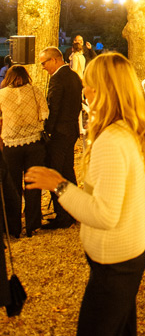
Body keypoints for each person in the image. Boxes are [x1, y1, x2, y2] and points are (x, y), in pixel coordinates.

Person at [25, 52, 145, 336]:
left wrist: (59, 185)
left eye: (91, 85)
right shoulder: (134, 129)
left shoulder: (112, 140)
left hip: (115, 263)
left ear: (108, 89)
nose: (85, 90)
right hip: (130, 252)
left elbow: (104, 215)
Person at [0, 65, 48, 237]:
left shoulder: (2, 94)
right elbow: (45, 113)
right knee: (33, 184)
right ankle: (32, 225)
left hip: (10, 144)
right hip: (34, 143)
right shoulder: (35, 91)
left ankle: (13, 228)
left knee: (12, 187)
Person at [39, 46, 83, 229]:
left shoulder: (57, 78)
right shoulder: (74, 76)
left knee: (56, 174)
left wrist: (48, 130)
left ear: (54, 60)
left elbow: (53, 106)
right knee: (68, 172)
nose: (42, 67)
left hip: (59, 133)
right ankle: (75, 211)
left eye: (44, 63)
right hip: (71, 129)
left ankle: (63, 216)